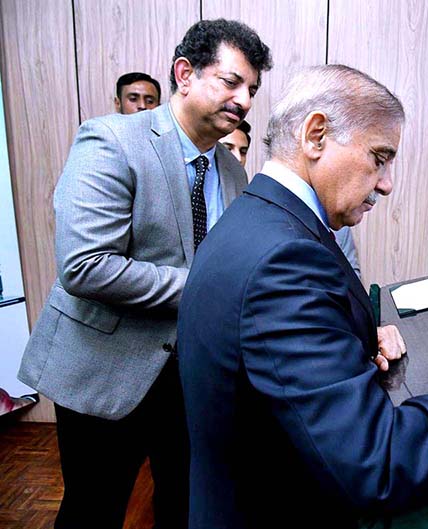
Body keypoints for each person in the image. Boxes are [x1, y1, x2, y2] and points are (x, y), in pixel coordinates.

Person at [177, 64, 428, 528]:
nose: (386, 183)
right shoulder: (286, 260)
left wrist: (350, 342)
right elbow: (378, 463)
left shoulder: (252, 220)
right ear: (316, 135)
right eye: (379, 158)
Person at [17, 19, 272, 529]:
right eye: (231, 82)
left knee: (182, 504)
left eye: (252, 90)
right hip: (103, 370)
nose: (244, 101)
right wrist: (206, 291)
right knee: (94, 509)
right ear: (185, 73)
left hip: (188, 379)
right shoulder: (111, 140)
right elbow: (85, 266)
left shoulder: (232, 170)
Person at [221, 118, 363, 276]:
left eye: (243, 151)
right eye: (228, 148)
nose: (238, 158)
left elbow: (352, 274)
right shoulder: (256, 204)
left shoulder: (335, 218)